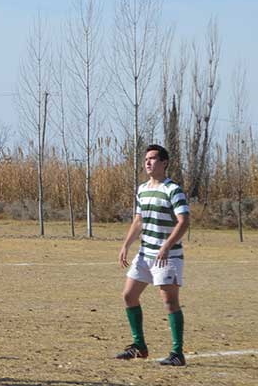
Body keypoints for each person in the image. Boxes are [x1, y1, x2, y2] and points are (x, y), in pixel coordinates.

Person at [116, 144, 189, 367]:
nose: (148, 162)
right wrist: (126, 245)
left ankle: (177, 353)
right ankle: (139, 345)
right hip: (145, 254)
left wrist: (167, 245)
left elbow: (184, 221)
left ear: (165, 162)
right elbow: (139, 220)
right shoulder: (142, 189)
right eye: (146, 159)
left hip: (168, 257)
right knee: (129, 296)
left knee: (169, 302)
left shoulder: (173, 189)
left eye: (153, 159)